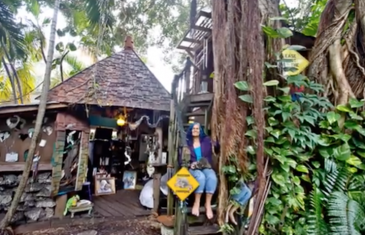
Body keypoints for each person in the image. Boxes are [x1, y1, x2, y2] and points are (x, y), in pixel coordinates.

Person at [182, 122, 218, 219]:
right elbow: (181, 159)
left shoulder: (207, 141)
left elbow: (218, 144)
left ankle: (208, 204)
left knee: (212, 177)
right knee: (200, 177)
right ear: (190, 130)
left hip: (206, 166)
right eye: (193, 128)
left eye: (197, 128)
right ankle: (196, 203)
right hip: (193, 168)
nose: (195, 130)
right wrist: (190, 164)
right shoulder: (187, 143)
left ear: (200, 130)